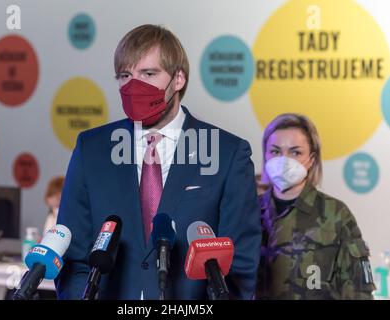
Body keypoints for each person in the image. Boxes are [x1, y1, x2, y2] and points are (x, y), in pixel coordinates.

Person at [55, 24, 261, 299]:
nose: (133, 86)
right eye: (125, 75)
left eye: (148, 74)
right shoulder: (91, 149)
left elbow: (239, 266)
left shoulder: (227, 153)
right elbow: (73, 257)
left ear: (178, 79)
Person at [256, 113, 375, 299]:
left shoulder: (336, 214)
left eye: (295, 152)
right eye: (275, 151)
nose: (284, 160)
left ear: (311, 159)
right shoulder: (248, 212)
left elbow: (359, 291)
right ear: (265, 154)